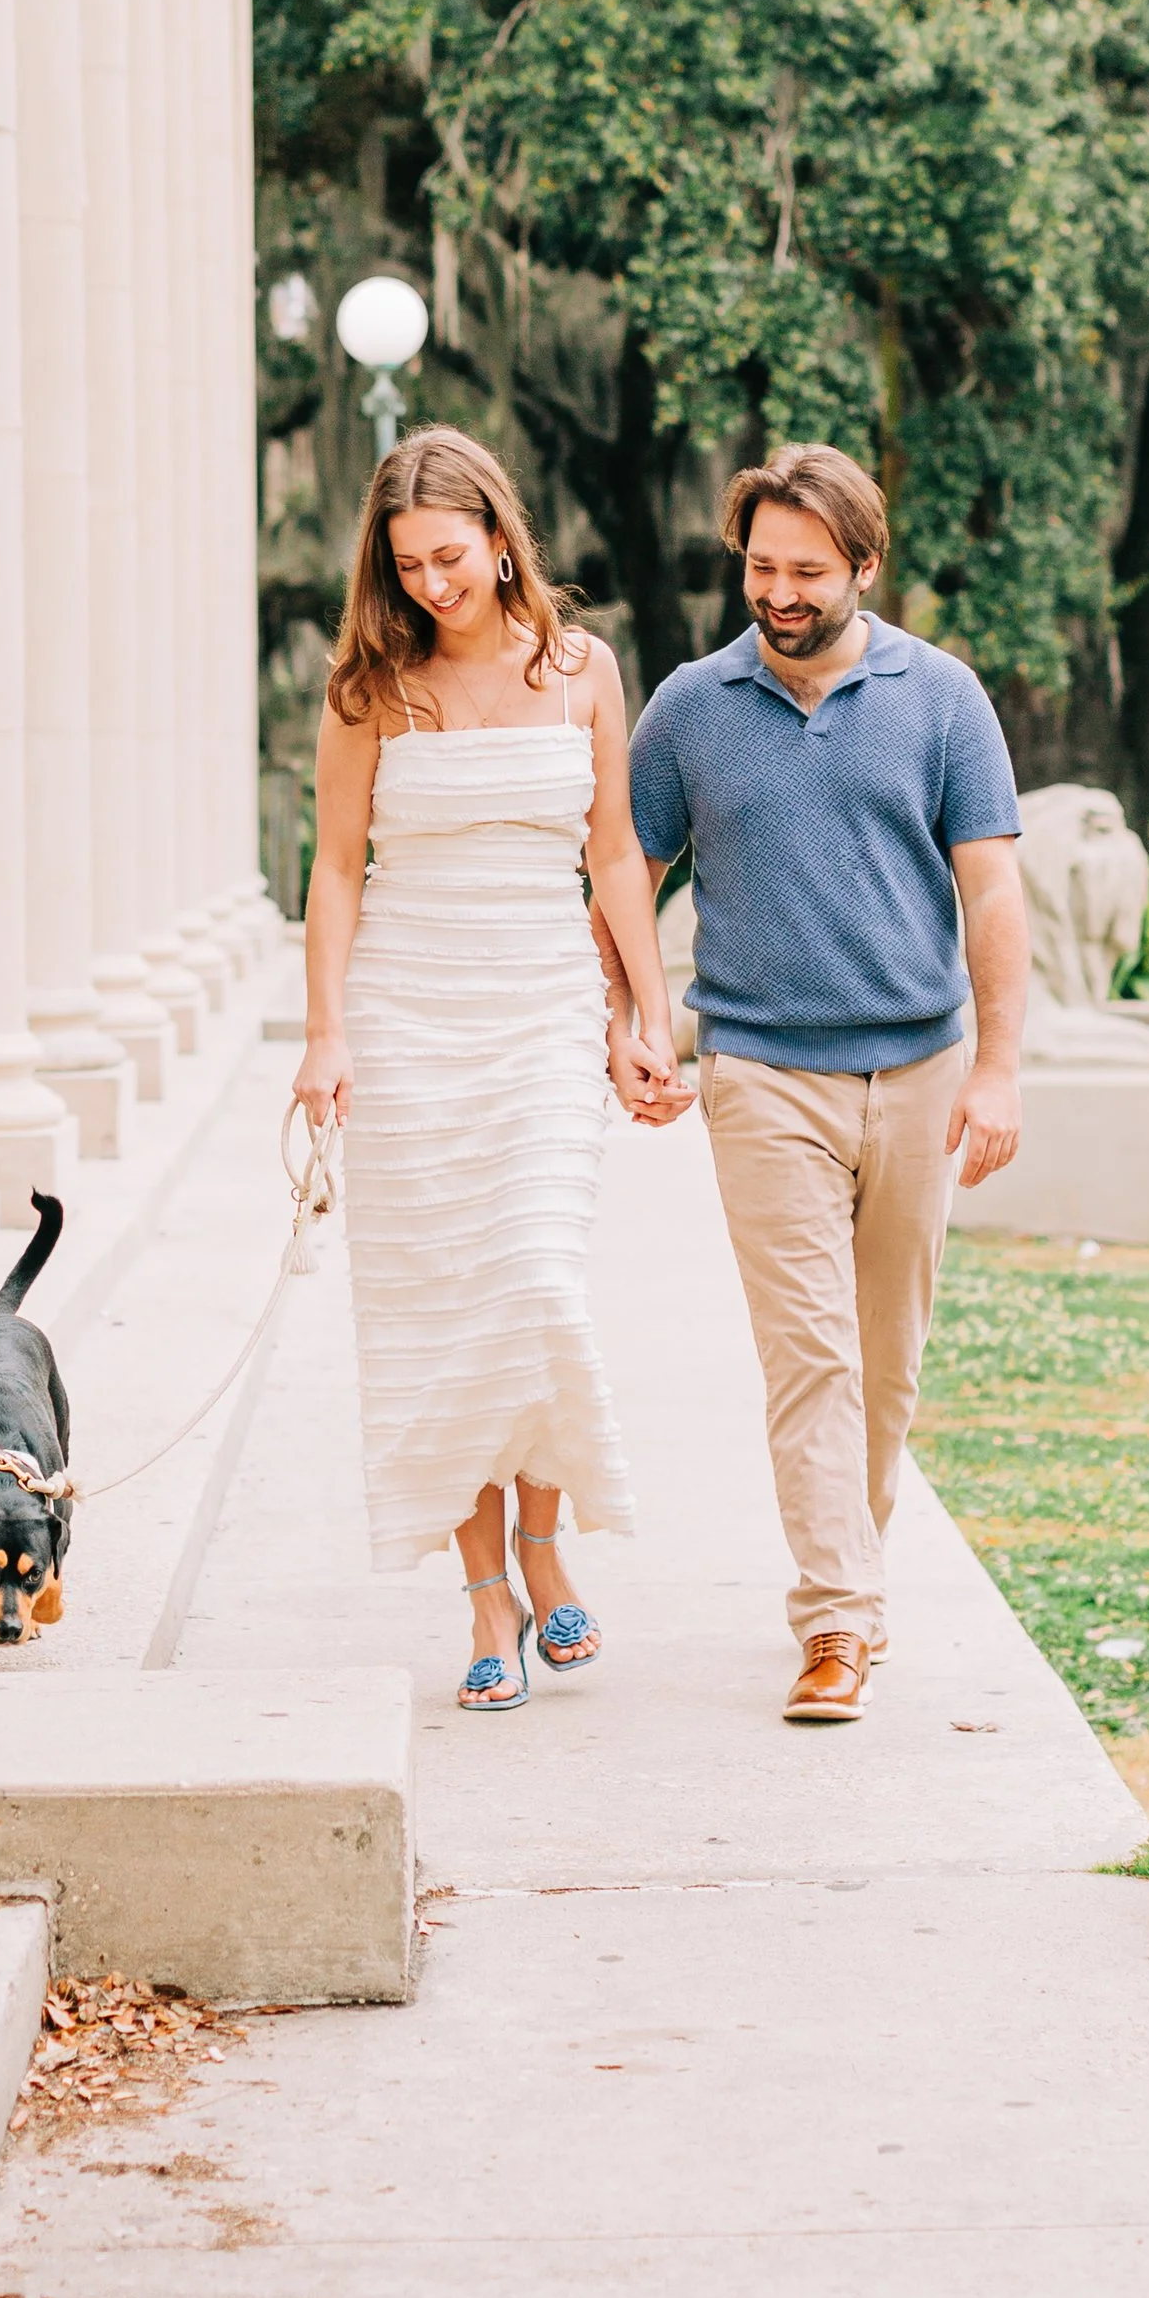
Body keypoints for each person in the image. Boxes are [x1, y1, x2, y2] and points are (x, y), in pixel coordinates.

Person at [606, 444, 1027, 1726]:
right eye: (759, 567)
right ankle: (834, 1618)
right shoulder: (688, 706)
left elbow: (993, 886)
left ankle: (857, 1568)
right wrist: (634, 1011)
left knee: (885, 1366)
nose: (778, 592)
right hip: (761, 1072)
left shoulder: (942, 697)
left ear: (861, 565)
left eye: (805, 570)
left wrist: (1000, 1068)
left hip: (917, 1063)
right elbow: (626, 865)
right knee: (810, 1357)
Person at [292, 428, 680, 1713]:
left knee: (536, 1283)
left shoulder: (582, 671)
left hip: (539, 1010)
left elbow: (615, 854)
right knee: (439, 1315)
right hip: (410, 1018)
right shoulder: (369, 692)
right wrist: (326, 1034)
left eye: (449, 558)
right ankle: (484, 1596)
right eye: (405, 567)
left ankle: (542, 1536)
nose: (430, 587)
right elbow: (336, 869)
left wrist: (647, 1010)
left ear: (501, 537)